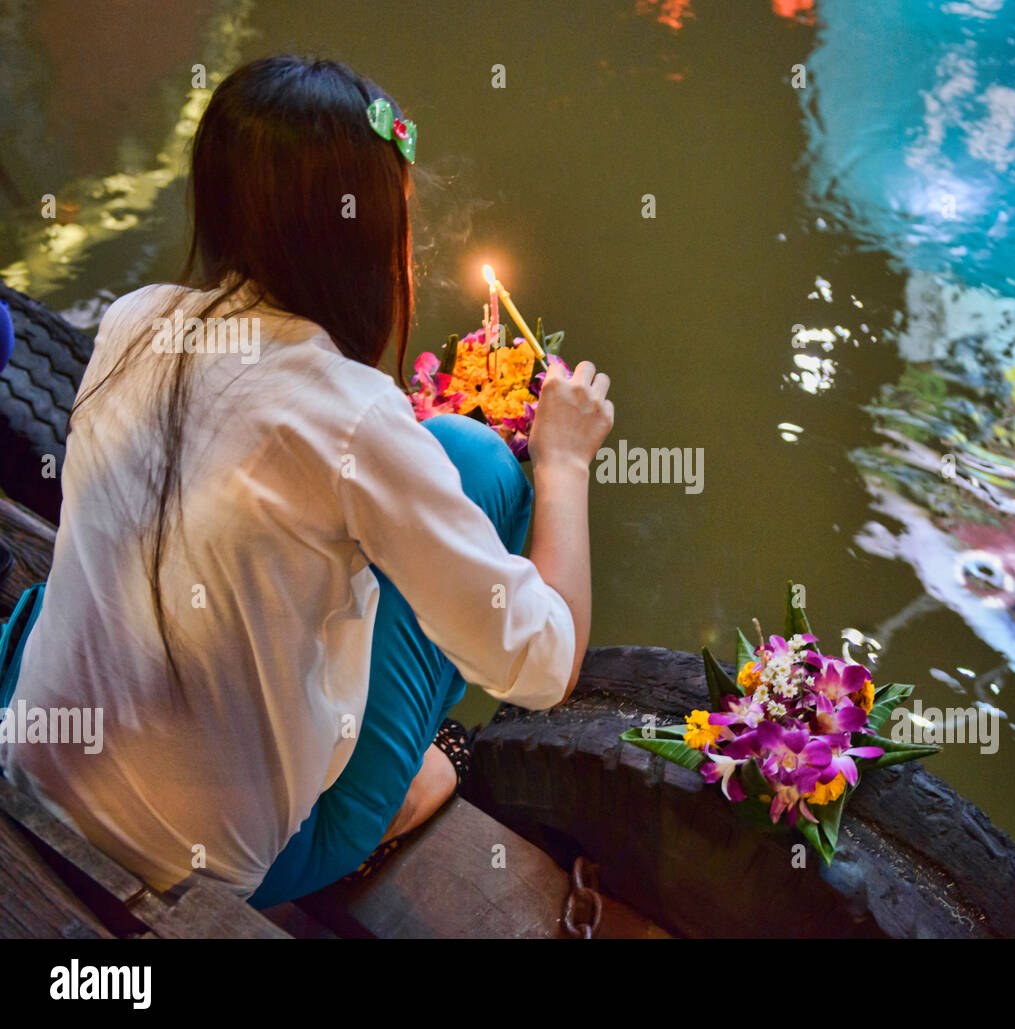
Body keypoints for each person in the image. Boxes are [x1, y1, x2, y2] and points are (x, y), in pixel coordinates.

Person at [0, 56, 613, 908]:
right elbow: (548, 666)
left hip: (35, 762)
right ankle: (401, 789)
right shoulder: (357, 419)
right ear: (367, 246)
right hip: (205, 869)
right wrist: (565, 460)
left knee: (441, 459)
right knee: (477, 462)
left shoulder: (132, 319)